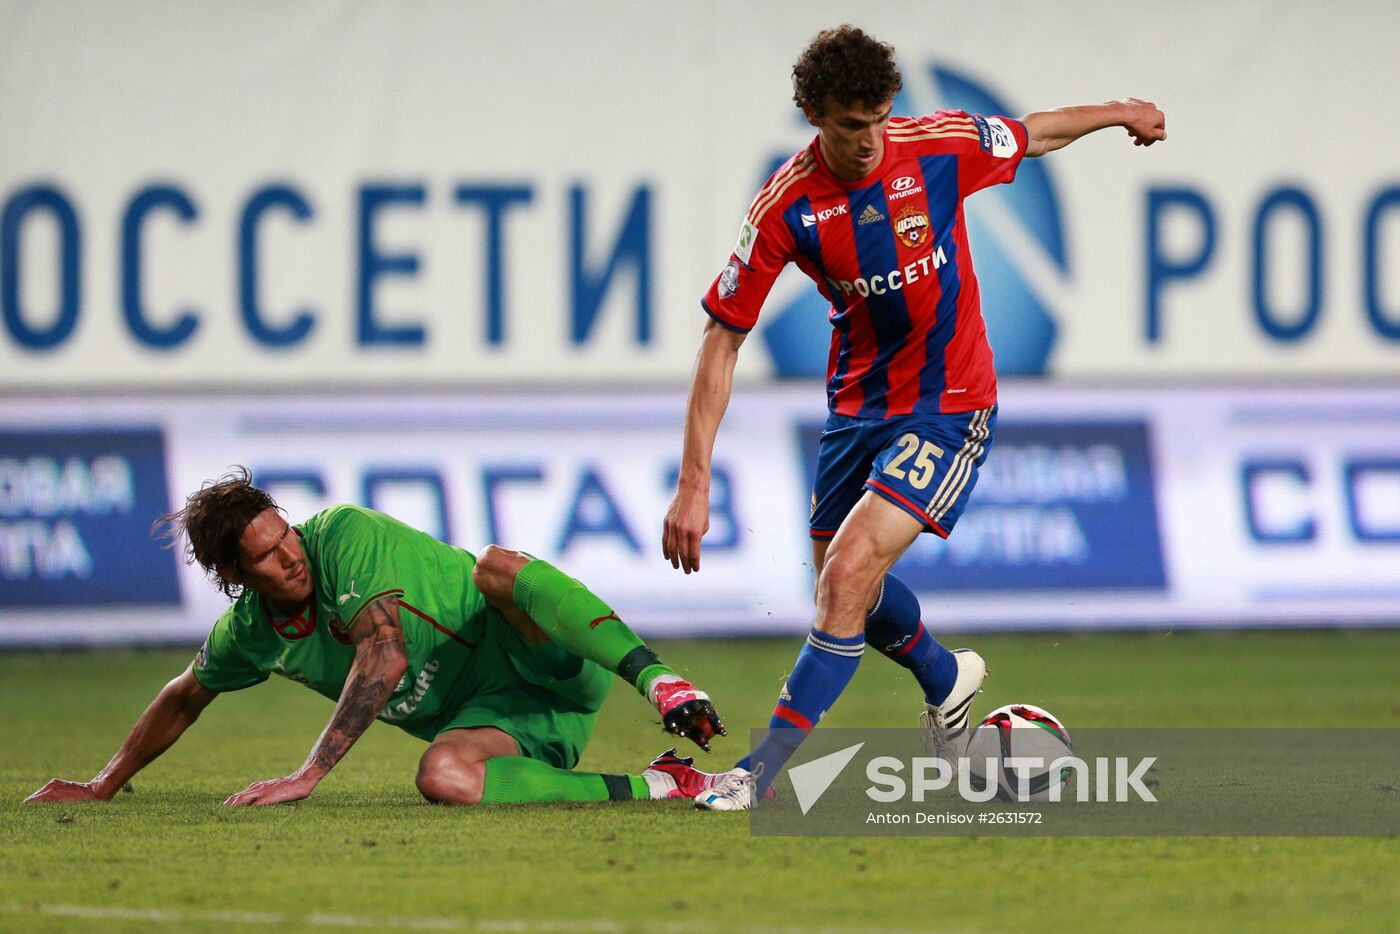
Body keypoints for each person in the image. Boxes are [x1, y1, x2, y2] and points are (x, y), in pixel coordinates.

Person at [662, 25, 1166, 810]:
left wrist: (1119, 110)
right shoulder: (786, 207)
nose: (866, 142)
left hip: (952, 401)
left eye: (875, 120)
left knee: (849, 576)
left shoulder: (938, 145)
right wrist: (695, 482)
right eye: (846, 126)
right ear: (811, 115)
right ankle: (945, 675)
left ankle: (758, 773)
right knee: (843, 589)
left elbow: (1033, 135)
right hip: (857, 407)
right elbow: (722, 340)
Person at [26, 468, 725, 807]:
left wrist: (309, 775)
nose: (290, 555)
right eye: (267, 557)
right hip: (509, 722)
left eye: (286, 535)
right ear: (235, 575)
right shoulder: (251, 634)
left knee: (498, 569)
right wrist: (102, 785)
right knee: (442, 777)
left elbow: (383, 654)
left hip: (545, 657)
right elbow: (183, 697)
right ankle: (665, 784)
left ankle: (662, 682)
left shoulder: (343, 536)